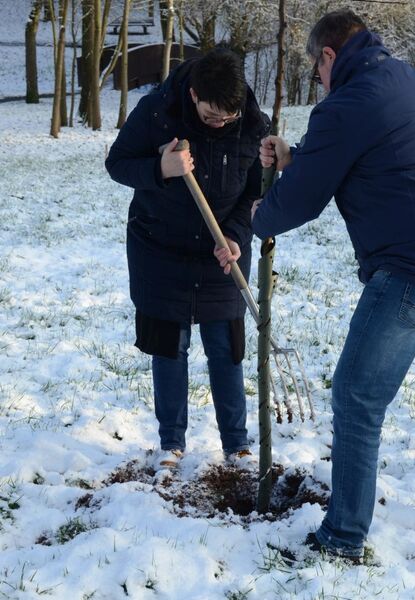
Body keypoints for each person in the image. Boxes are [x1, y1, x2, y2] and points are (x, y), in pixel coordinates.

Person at [252, 10, 415, 562]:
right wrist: (297, 157)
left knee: (356, 396)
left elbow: (298, 202)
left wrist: (255, 216)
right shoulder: (409, 80)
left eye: (315, 69)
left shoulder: (346, 103)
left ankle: (342, 537)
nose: (318, 81)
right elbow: (371, 158)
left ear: (327, 57)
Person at [106, 48, 270, 469]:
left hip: (221, 255)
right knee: (169, 349)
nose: (221, 123)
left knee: (226, 349)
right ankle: (171, 443)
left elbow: (256, 192)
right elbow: (118, 164)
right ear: (194, 95)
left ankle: (237, 444)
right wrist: (161, 167)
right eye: (212, 115)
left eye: (228, 117)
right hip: (159, 250)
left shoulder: (251, 124)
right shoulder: (157, 112)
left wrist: (235, 235)